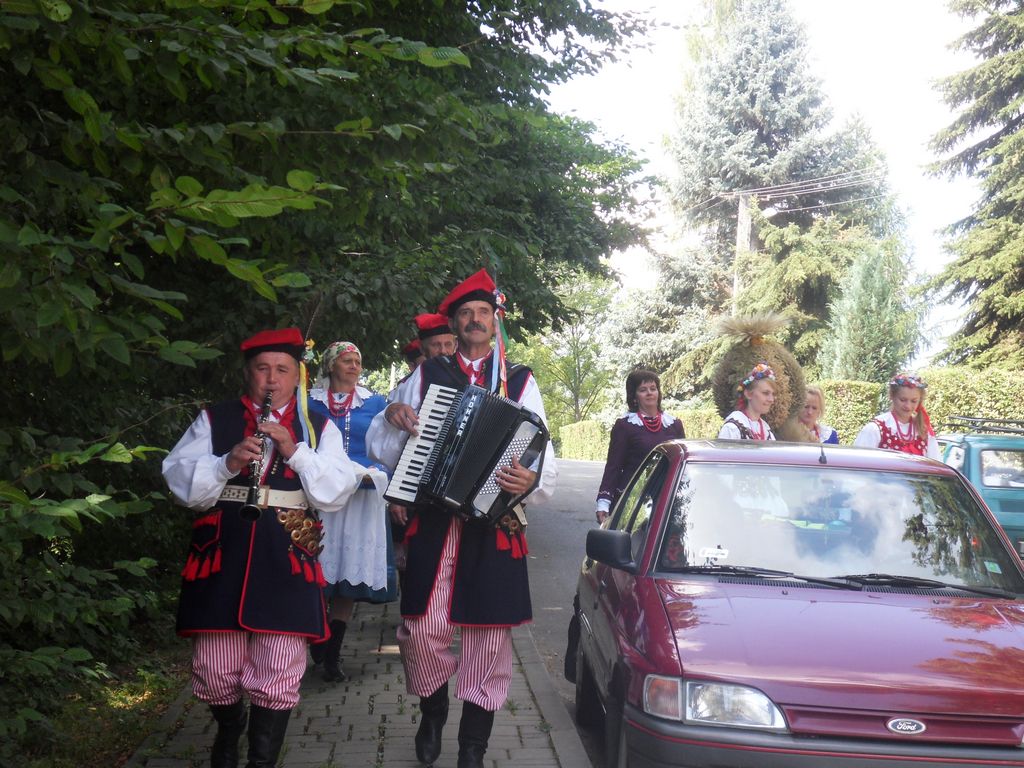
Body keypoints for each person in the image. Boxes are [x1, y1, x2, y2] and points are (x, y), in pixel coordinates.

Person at [366, 268, 557, 768]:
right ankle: (433, 710)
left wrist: (530, 479)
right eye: (466, 314)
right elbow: (380, 446)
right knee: (420, 632)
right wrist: (392, 418)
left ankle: (473, 748)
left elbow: (542, 451)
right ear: (455, 324)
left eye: (483, 312)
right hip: (434, 520)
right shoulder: (427, 374)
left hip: (492, 523)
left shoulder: (519, 380)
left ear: (496, 321)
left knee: (488, 639)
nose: (474, 320)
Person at [162, 327, 358, 768]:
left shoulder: (316, 424)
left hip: (285, 555)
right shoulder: (215, 419)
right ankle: (231, 725)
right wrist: (226, 463)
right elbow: (179, 481)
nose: (272, 379)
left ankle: (261, 760)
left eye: (282, 370)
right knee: (214, 671)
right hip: (222, 554)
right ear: (248, 373)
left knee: (279, 666)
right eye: (262, 369)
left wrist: (295, 450)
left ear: (297, 376)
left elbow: (336, 491)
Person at [307, 341, 396, 683]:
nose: (354, 366)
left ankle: (332, 653)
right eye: (347, 360)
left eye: (358, 360)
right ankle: (317, 631)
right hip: (323, 495)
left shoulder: (375, 403)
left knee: (347, 575)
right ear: (331, 365)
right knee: (316, 566)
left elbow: (387, 446)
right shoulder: (310, 400)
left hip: (362, 495)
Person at [595, 369, 684, 523]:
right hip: (632, 500)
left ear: (658, 393)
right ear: (634, 396)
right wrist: (604, 501)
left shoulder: (674, 425)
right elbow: (613, 467)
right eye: (643, 390)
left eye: (653, 388)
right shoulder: (625, 426)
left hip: (666, 499)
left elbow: (682, 466)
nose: (649, 393)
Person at [854, 373, 940, 458]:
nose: (908, 406)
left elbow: (936, 463)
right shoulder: (875, 429)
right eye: (902, 400)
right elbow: (859, 461)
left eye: (913, 401)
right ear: (892, 396)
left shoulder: (924, 431)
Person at [718, 362, 778, 441]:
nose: (771, 399)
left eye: (773, 394)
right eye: (765, 393)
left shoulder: (766, 430)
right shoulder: (733, 428)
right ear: (748, 394)